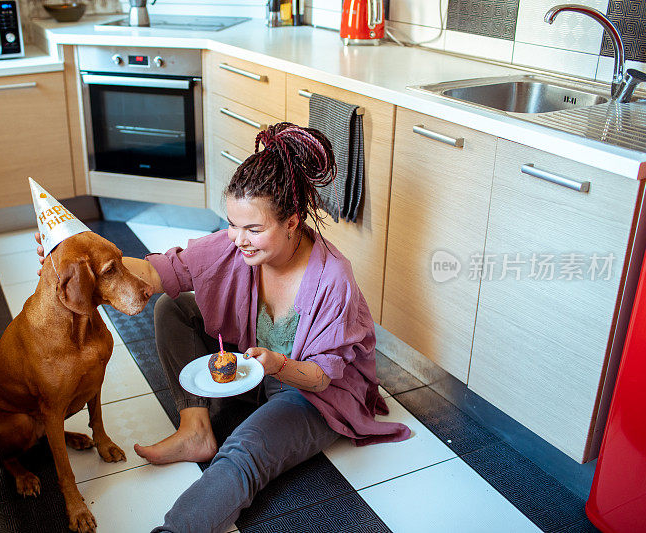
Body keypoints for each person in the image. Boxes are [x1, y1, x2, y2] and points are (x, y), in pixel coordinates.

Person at [36, 122, 411, 532]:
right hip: (259, 369)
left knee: (243, 454)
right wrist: (86, 258)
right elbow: (158, 274)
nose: (239, 239)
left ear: (292, 221)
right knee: (172, 307)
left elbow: (322, 378)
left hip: (311, 393)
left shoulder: (332, 278)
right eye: (233, 224)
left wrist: (276, 366)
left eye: (253, 229)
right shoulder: (236, 245)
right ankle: (195, 429)